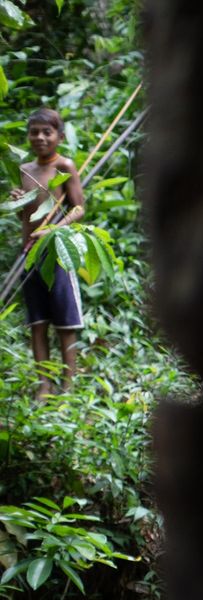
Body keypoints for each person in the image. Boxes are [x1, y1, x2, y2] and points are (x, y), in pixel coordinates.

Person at [9, 108, 86, 397]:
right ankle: (45, 384)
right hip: (29, 254)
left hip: (58, 254)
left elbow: (79, 208)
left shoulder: (65, 166)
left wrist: (53, 230)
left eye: (47, 132)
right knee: (37, 322)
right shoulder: (25, 170)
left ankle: (68, 384)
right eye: (34, 132)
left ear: (59, 136)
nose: (40, 137)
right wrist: (18, 202)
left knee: (66, 322)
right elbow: (25, 218)